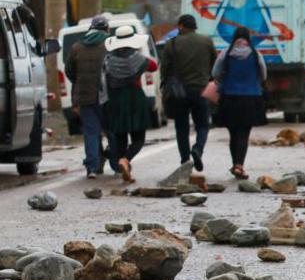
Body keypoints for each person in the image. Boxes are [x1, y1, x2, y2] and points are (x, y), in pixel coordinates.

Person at [100, 26, 158, 183]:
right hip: (134, 101)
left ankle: (123, 165)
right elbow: (154, 66)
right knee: (138, 139)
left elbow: (103, 82)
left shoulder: (108, 60)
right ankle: (125, 160)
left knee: (120, 139)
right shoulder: (137, 58)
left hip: (115, 102)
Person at [160, 14, 215, 171]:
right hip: (201, 90)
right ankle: (198, 149)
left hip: (179, 92)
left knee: (181, 127)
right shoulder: (207, 41)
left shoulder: (172, 43)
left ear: (181, 26)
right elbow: (214, 64)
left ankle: (185, 160)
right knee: (203, 126)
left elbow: (164, 68)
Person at [212, 27, 267, 180]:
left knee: (233, 133)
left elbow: (215, 73)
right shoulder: (256, 54)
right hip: (250, 98)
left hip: (230, 98)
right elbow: (263, 74)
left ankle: (235, 163)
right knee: (244, 133)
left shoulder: (226, 53)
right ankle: (239, 165)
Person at [65, 15, 110, 179]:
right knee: (111, 130)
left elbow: (70, 71)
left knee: (91, 132)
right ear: (106, 29)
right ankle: (116, 164)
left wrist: (80, 83)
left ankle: (92, 167)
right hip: (107, 96)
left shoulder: (77, 47)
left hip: (84, 97)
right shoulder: (109, 44)